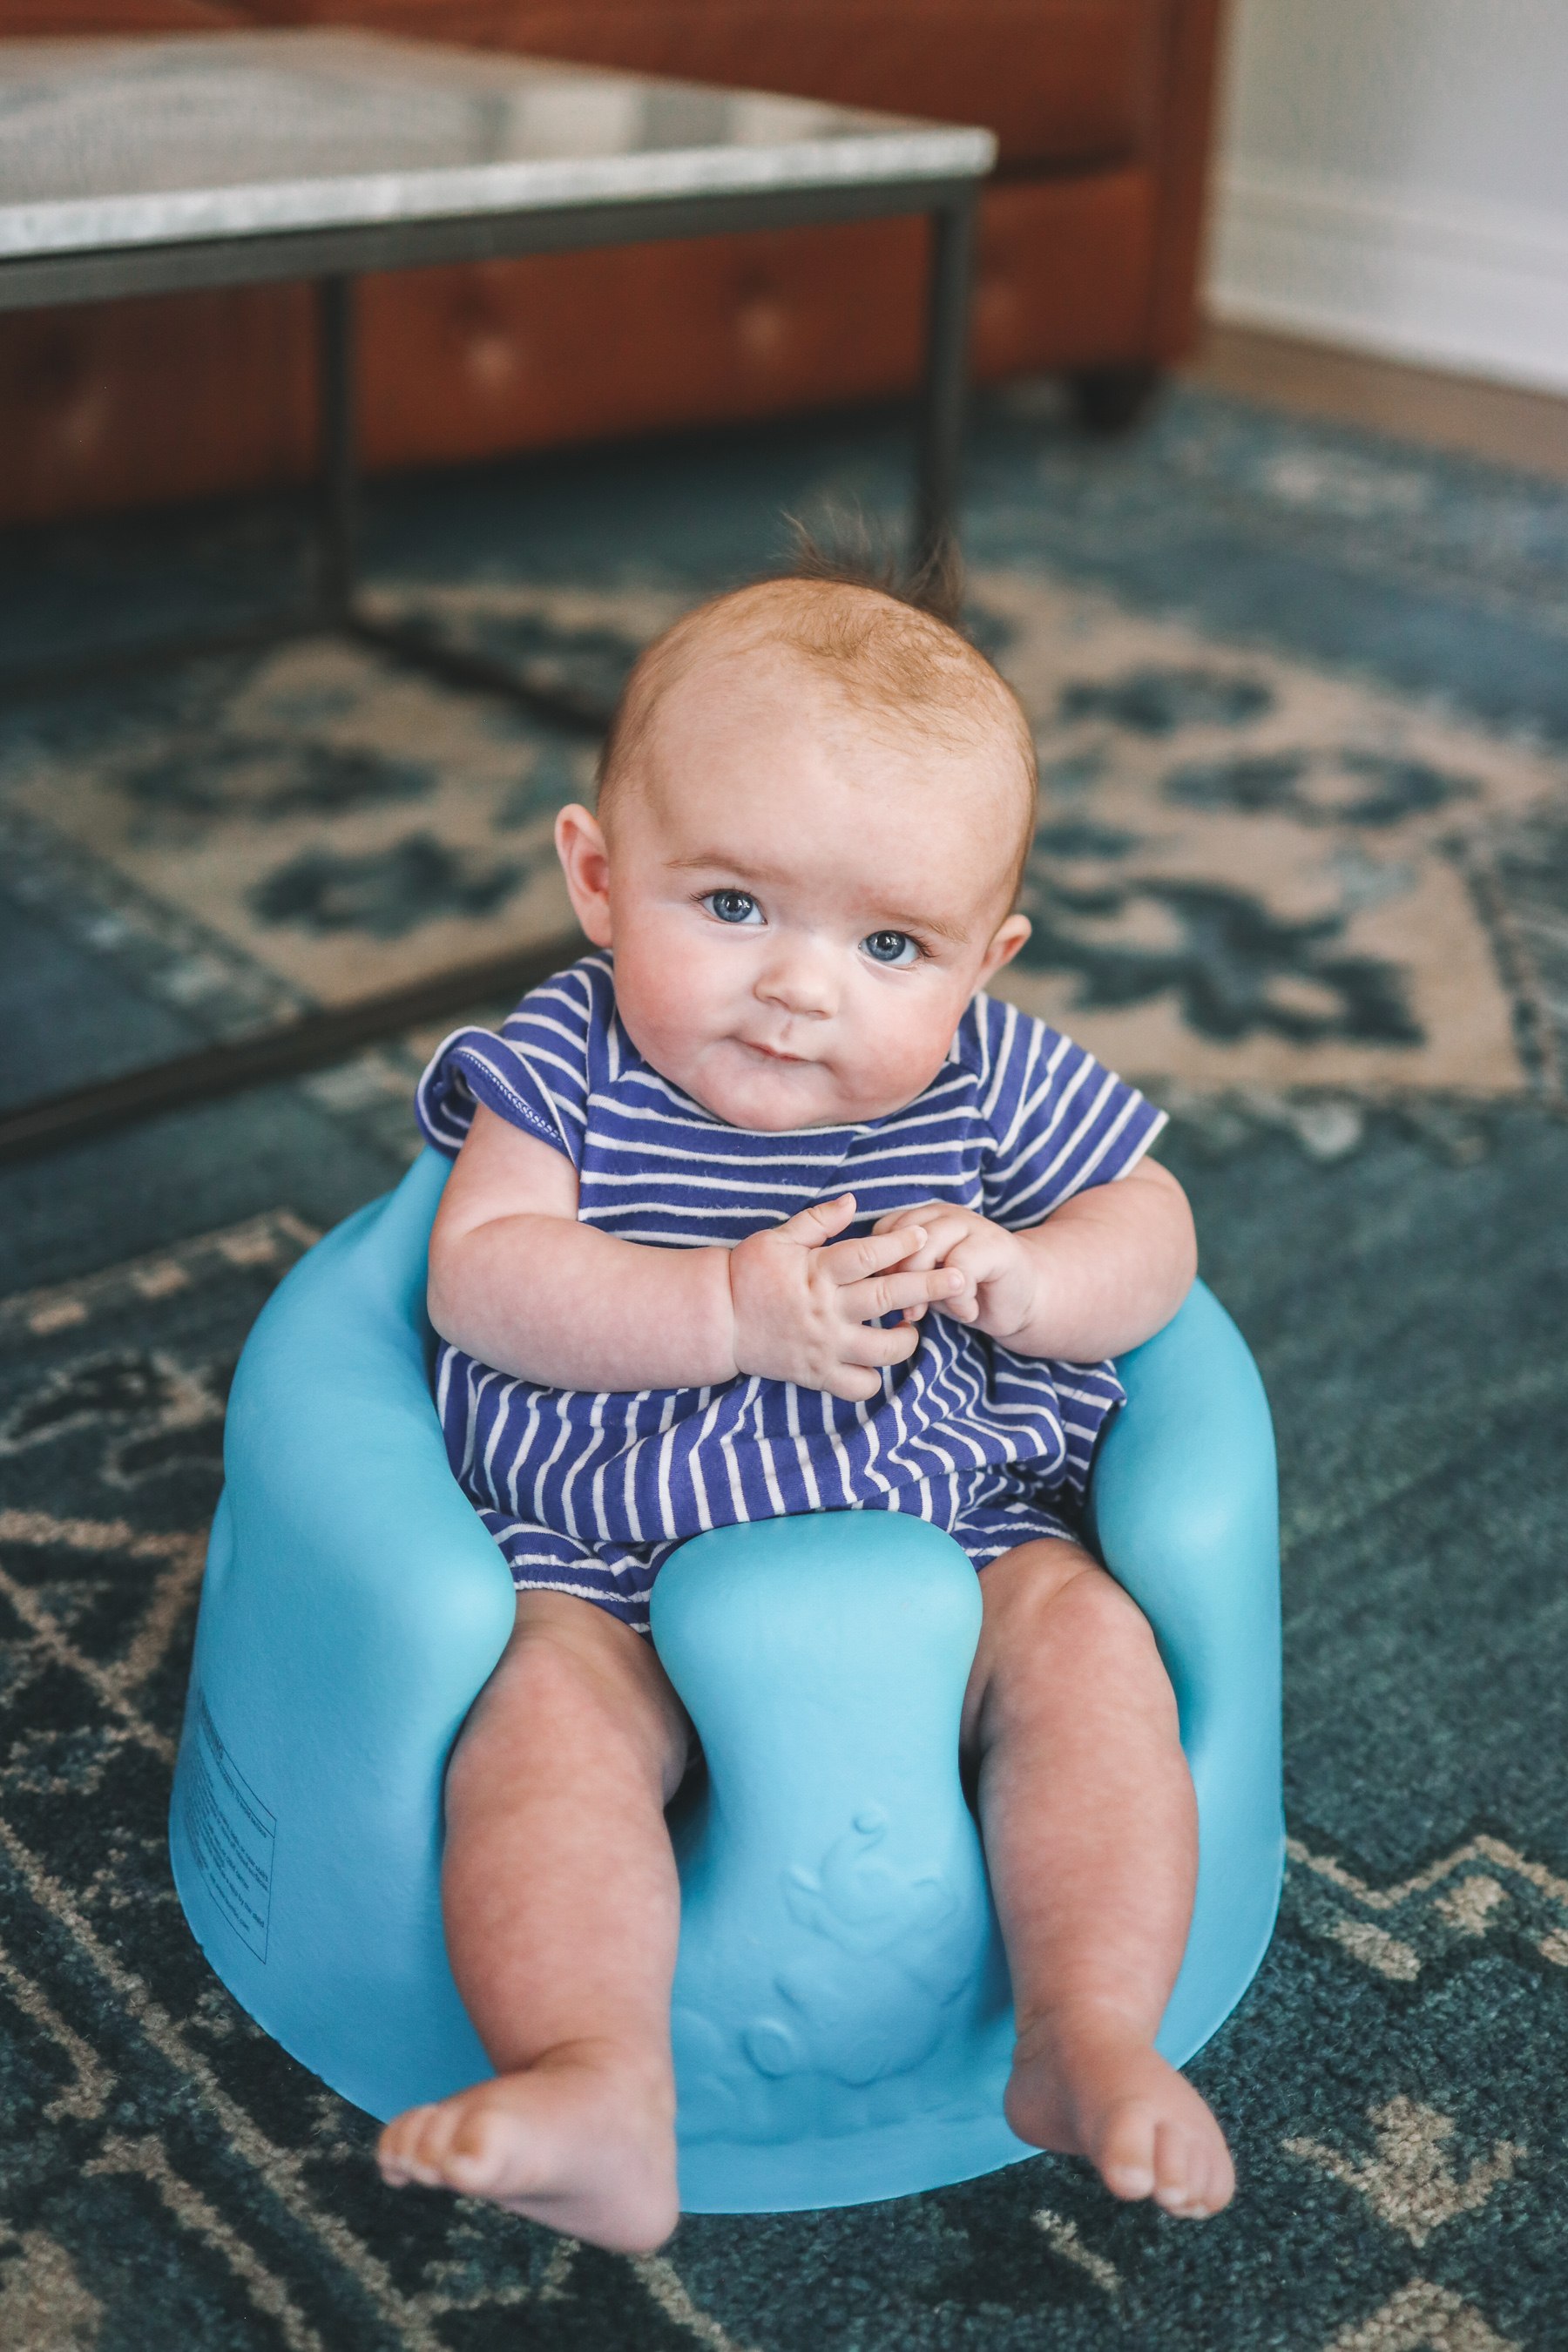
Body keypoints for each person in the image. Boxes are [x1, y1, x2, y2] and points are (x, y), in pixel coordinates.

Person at [375, 557, 1234, 2249]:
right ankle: (597, 2077)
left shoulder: (993, 1076)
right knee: (543, 1732)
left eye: (891, 941)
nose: (802, 987)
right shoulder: (567, 1063)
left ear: (985, 961)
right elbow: (476, 1274)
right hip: (603, 1552)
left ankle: (1084, 2030)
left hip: (956, 1528)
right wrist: (719, 1307)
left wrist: (1036, 1280)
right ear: (599, 877)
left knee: (1094, 1656)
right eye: (734, 906)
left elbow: (1159, 1230)